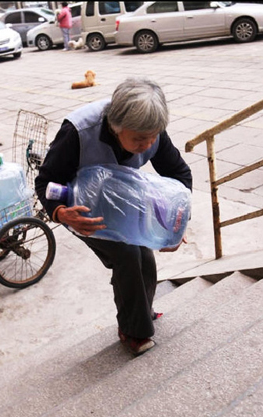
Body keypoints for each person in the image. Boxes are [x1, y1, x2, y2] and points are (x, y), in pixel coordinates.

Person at [35, 77, 192, 356]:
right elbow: (45, 181)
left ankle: (141, 312)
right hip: (83, 208)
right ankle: (133, 330)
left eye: (153, 136)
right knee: (128, 257)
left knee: (145, 256)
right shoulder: (78, 132)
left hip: (125, 200)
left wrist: (175, 225)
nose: (147, 143)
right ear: (116, 127)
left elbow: (179, 175)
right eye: (139, 139)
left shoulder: (151, 128)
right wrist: (61, 214)